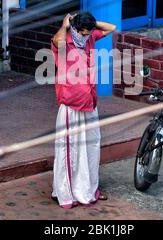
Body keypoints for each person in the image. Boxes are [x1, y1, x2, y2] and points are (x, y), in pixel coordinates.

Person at [50, 11, 116, 208]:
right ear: (76, 30)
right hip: (71, 105)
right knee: (69, 150)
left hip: (89, 103)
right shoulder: (65, 41)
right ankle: (66, 193)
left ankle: (87, 189)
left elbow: (111, 27)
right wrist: (66, 25)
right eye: (84, 32)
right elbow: (56, 40)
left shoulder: (89, 38)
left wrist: (89, 22)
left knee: (91, 146)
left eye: (89, 32)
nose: (87, 36)